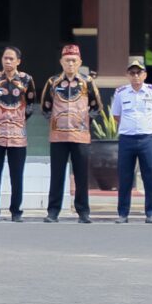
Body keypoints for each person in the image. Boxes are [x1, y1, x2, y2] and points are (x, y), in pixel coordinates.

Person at [40, 44, 102, 224]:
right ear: (61, 61)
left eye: (74, 60)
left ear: (80, 62)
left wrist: (84, 121)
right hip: (58, 136)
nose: (70, 64)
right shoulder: (53, 82)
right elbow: (45, 106)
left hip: (80, 136)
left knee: (81, 175)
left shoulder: (87, 82)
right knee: (57, 174)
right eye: (67, 60)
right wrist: (56, 121)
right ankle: (53, 211)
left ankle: (83, 212)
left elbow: (96, 106)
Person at [112, 56, 152, 224]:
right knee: (125, 177)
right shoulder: (121, 92)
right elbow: (116, 116)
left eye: (139, 72)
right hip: (127, 139)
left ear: (145, 75)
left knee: (149, 176)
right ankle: (123, 213)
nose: (135, 76)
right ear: (127, 75)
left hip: (147, 139)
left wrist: (145, 127)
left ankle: (150, 213)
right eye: (132, 73)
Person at [0, 46, 36, 223]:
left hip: (17, 136)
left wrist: (17, 119)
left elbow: (31, 103)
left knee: (17, 175)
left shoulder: (26, 79)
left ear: (18, 61)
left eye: (11, 59)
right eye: (5, 58)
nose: (7, 61)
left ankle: (16, 211)